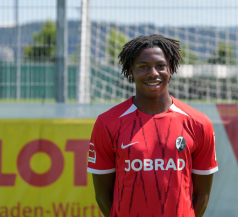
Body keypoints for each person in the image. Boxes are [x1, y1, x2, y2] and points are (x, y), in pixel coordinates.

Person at [87, 34, 218, 217]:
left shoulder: (199, 123)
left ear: (171, 69)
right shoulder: (107, 123)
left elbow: (202, 196)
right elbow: (102, 196)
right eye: (143, 67)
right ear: (131, 71)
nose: (153, 73)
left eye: (160, 66)